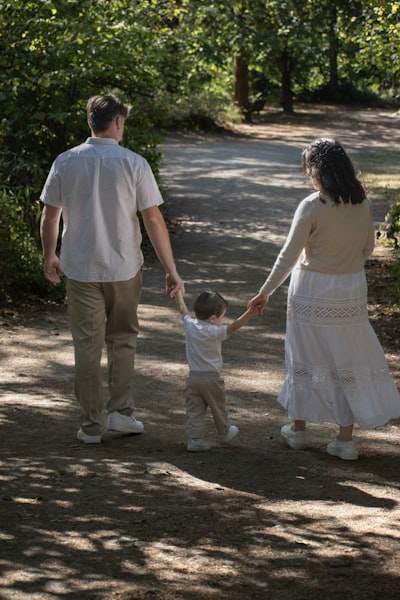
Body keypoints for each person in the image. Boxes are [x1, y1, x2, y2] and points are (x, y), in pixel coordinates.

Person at [40, 93, 184, 444]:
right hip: (123, 267)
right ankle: (121, 414)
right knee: (122, 340)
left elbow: (50, 213)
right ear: (117, 122)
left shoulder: (66, 161)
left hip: (80, 268)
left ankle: (92, 425)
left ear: (92, 122)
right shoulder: (134, 163)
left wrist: (49, 255)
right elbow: (152, 218)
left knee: (87, 346)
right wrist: (171, 269)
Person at [249, 138, 400, 460]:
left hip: (312, 288)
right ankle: (345, 440)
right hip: (350, 289)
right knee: (345, 360)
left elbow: (288, 256)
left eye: (308, 170)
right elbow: (368, 251)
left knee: (305, 356)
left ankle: (299, 430)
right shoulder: (364, 203)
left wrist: (264, 292)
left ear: (317, 171)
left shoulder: (313, 205)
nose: (308, 177)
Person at [174, 289, 259, 451]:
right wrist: (250, 313)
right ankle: (224, 432)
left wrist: (178, 293)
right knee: (218, 406)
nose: (222, 321)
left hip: (193, 378)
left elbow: (182, 310)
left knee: (195, 409)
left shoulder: (190, 325)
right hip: (212, 378)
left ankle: (195, 439)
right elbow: (234, 327)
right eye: (221, 318)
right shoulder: (215, 332)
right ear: (213, 318)